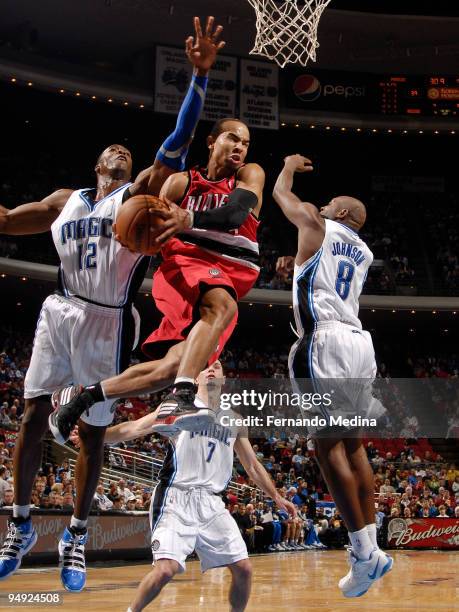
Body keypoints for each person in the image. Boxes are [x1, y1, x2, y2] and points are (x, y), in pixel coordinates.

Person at [0, 16, 225, 591]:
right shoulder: (64, 202)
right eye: (112, 145)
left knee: (93, 433)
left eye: (127, 147)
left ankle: (75, 532)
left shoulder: (139, 198)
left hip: (108, 318)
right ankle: (21, 524)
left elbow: (174, 147)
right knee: (30, 413)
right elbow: (4, 220)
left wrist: (198, 80)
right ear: (98, 163)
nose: (120, 147)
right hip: (61, 309)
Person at [49, 117, 265, 440]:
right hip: (185, 262)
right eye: (232, 138)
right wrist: (133, 235)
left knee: (173, 367)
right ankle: (181, 398)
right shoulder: (180, 184)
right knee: (221, 309)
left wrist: (188, 217)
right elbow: (150, 231)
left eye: (245, 143)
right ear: (211, 142)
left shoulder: (250, 174)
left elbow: (235, 214)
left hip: (231, 274)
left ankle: (83, 397)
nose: (240, 147)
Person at [79, 360, 295, 612]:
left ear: (223, 381)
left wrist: (277, 497)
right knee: (165, 570)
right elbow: (133, 428)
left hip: (212, 502)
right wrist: (93, 437)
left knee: (244, 568)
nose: (213, 366)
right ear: (195, 380)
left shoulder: (234, 419)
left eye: (219, 366)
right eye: (206, 367)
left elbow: (253, 466)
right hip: (176, 496)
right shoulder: (179, 408)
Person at [273, 154, 393, 598]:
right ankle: (370, 548)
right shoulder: (362, 250)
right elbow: (321, 269)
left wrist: (286, 165)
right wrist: (294, 262)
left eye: (328, 203)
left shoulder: (314, 221)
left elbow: (280, 195)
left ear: (340, 213)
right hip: (359, 344)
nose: (318, 205)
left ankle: (363, 553)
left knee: (326, 450)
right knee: (353, 445)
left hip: (323, 342)